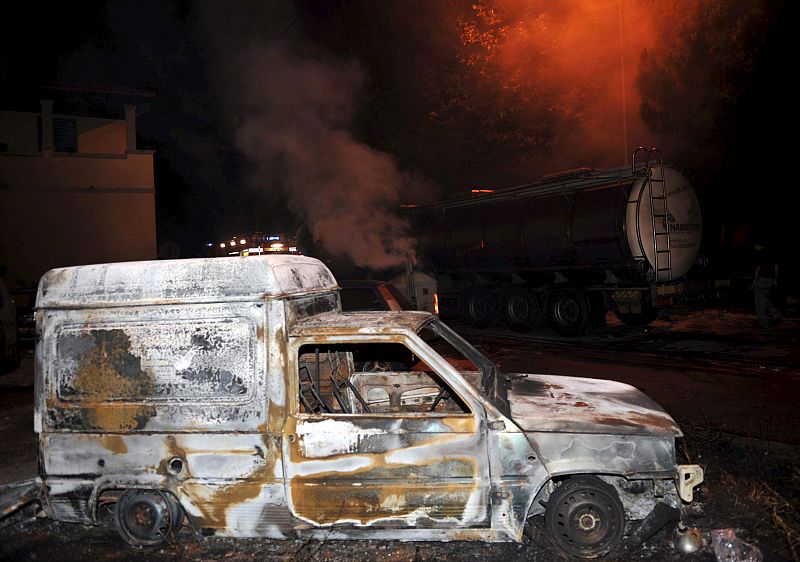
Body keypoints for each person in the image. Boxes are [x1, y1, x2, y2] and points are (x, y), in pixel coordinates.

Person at [750, 239, 781, 329]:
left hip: (762, 279)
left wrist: (754, 283)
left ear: (756, 245)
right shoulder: (771, 253)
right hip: (770, 279)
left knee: (760, 301)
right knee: (765, 298)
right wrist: (775, 279)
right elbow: (776, 266)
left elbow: (758, 269)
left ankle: (763, 322)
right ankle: (775, 313)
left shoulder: (759, 253)